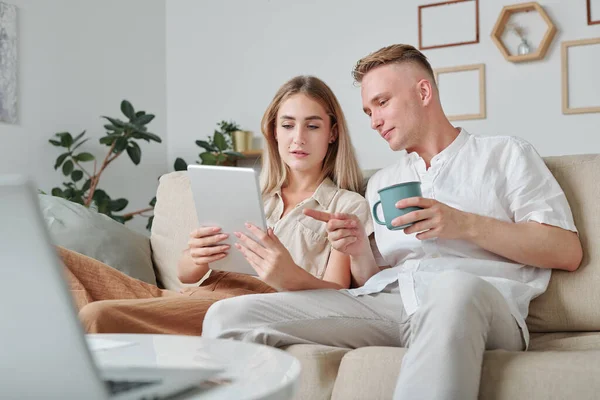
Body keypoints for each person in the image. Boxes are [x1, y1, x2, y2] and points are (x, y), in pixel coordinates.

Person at [202, 44, 583, 400]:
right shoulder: (384, 182)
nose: (373, 121)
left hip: (480, 304)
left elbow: (566, 251)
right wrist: (355, 251)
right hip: (388, 303)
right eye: (368, 111)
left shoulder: (505, 155)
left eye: (382, 103)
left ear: (423, 92)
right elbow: (369, 279)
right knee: (229, 315)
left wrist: (464, 224)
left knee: (452, 288)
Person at [62, 75, 373, 335]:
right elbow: (186, 274)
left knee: (98, 316)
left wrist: (287, 275)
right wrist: (196, 255)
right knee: (56, 261)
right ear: (274, 132)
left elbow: (339, 294)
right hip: (189, 297)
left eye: (313, 126)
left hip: (244, 307)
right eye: (288, 125)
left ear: (333, 133)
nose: (298, 138)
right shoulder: (252, 193)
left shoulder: (346, 206)